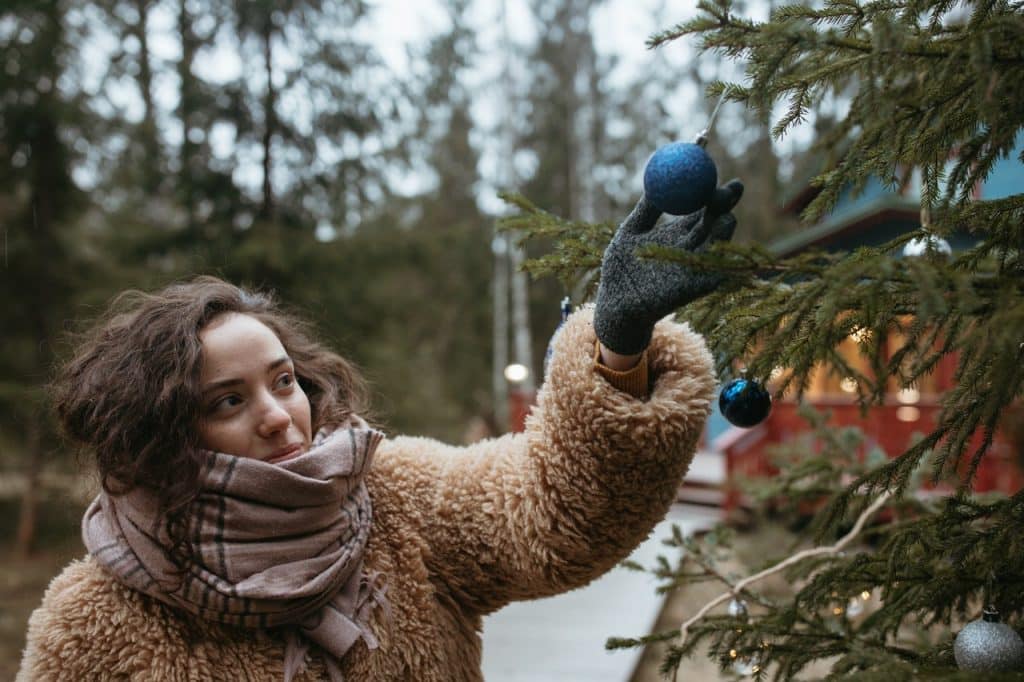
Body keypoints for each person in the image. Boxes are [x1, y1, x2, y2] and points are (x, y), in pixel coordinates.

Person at [17, 180, 744, 681]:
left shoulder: (393, 500)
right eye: (226, 402)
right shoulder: (94, 619)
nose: (279, 414)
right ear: (160, 432)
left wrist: (619, 344)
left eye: (281, 381)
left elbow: (555, 509)